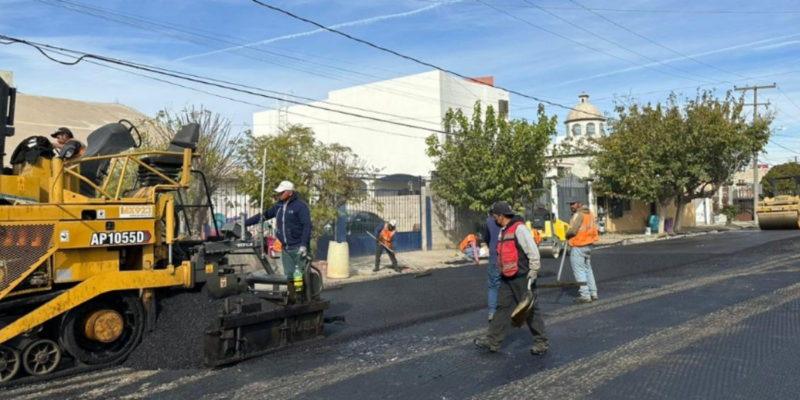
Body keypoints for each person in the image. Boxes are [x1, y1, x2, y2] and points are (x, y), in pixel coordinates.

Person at [474, 201, 548, 355]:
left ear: (501, 216)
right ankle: (492, 340)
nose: (494, 219)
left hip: (522, 276)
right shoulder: (503, 230)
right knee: (502, 307)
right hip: (507, 277)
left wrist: (534, 270)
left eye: (495, 216)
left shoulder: (519, 229)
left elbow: (532, 250)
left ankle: (541, 341)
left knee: (529, 309)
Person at [245, 180, 311, 277]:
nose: (279, 194)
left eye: (282, 192)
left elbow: (307, 225)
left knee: (302, 277)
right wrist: (244, 223)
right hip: (286, 249)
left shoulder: (300, 206)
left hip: (298, 248)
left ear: (290, 193)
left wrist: (304, 245)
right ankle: (292, 292)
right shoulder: (278, 207)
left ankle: (304, 292)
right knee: (289, 277)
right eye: (279, 192)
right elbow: (263, 216)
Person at [566, 198, 600, 304]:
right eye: (570, 204)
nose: (571, 206)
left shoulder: (578, 215)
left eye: (573, 204)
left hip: (579, 245)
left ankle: (585, 295)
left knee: (579, 270)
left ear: (580, 204)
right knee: (587, 269)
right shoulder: (590, 214)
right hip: (588, 245)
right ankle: (593, 293)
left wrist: (566, 234)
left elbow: (573, 230)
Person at [483, 214, 500, 322]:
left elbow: (486, 238)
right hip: (505, 259)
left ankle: (492, 312)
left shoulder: (488, 221)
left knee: (492, 286)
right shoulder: (508, 222)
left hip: (493, 258)